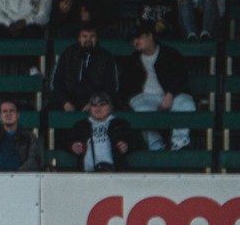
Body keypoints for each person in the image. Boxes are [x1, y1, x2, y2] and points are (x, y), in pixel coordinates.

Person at [120, 22, 196, 151]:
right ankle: (156, 144)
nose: (135, 42)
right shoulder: (132, 60)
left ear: (150, 36)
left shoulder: (170, 54)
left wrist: (171, 94)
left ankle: (179, 141)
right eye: (133, 39)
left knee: (186, 103)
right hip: (146, 97)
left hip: (170, 95)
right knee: (140, 110)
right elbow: (126, 87)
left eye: (139, 37)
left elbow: (182, 78)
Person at [48, 22, 119, 111]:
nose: (88, 40)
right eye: (84, 36)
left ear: (96, 38)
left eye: (92, 36)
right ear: (79, 38)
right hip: (69, 101)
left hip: (96, 102)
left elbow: (111, 87)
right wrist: (65, 102)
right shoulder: (68, 54)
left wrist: (95, 103)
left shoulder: (106, 57)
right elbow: (57, 82)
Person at [67, 92, 140, 172]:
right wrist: (72, 146)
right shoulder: (81, 125)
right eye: (94, 105)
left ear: (109, 108)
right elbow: (66, 142)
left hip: (113, 172)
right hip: (87, 173)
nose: (98, 108)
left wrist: (127, 146)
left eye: (102, 105)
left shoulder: (120, 124)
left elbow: (136, 142)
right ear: (90, 108)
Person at [0, 100, 43, 172]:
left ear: (18, 115)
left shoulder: (29, 137)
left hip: (21, 180)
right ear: (0, 116)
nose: (8, 114)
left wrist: (16, 176)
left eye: (12, 111)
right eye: (5, 111)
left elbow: (34, 160)